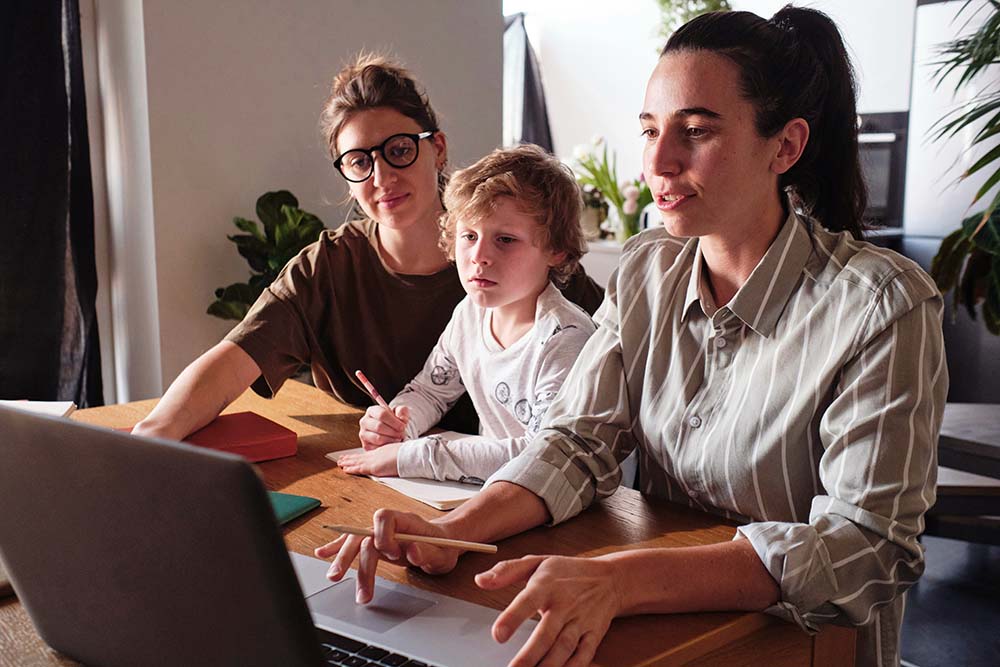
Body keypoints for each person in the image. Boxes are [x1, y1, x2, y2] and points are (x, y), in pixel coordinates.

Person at [315, 8, 948, 667]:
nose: (659, 161)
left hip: (802, 645)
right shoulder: (651, 267)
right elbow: (577, 441)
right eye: (649, 130)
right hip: (665, 633)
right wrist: (453, 531)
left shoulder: (883, 304)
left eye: (695, 131)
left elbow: (866, 544)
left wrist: (623, 578)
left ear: (784, 147)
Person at [132, 54, 602, 442]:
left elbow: (617, 367)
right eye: (359, 161)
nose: (382, 179)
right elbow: (231, 362)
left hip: (508, 493)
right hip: (373, 479)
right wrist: (153, 434)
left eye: (398, 150)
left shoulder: (526, 259)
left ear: (436, 148)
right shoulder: (328, 268)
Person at [336, 145, 597, 482]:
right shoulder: (469, 315)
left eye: (504, 239)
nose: (479, 255)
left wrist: (412, 455)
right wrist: (399, 423)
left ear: (556, 250)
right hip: (493, 494)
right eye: (469, 235)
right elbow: (431, 391)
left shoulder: (567, 338)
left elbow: (542, 454)